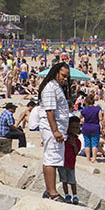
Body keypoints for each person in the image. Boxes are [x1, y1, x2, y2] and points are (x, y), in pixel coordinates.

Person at [38, 62, 70, 199]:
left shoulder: (56, 87)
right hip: (52, 129)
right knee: (51, 159)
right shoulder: (50, 87)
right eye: (63, 75)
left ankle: (50, 190)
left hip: (57, 128)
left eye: (67, 77)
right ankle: (52, 192)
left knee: (55, 159)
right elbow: (49, 111)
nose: (65, 79)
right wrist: (55, 130)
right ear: (56, 72)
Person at [59, 117, 81, 204]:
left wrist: (74, 145)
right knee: (64, 180)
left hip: (71, 164)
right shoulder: (65, 138)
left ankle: (75, 195)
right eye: (73, 128)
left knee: (72, 181)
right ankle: (67, 194)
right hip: (63, 163)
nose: (75, 129)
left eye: (77, 128)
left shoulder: (77, 141)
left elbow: (76, 152)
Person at [80, 94, 104, 163]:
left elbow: (80, 117)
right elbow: (100, 118)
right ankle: (94, 158)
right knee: (94, 143)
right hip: (95, 127)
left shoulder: (84, 110)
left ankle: (88, 158)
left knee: (87, 143)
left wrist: (83, 120)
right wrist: (103, 127)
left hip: (86, 127)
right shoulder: (97, 109)